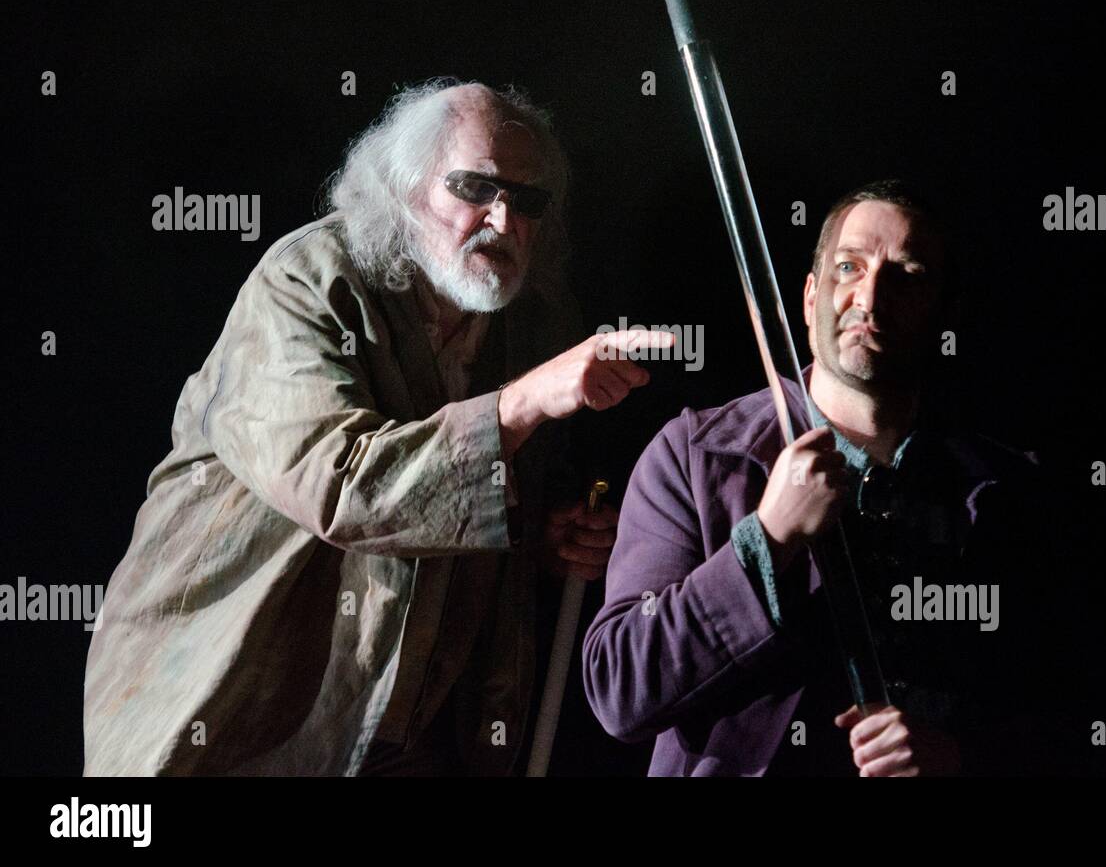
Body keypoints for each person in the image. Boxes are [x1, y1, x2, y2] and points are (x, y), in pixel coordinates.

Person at [83, 78, 668, 775]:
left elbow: (490, 498)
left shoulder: (531, 323)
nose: (504, 220)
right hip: (234, 720)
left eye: (527, 199)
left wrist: (549, 531)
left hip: (397, 734)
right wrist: (521, 404)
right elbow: (342, 485)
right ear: (406, 189)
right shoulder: (306, 282)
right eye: (474, 188)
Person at [583, 180, 1073, 776]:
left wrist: (959, 759)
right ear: (811, 292)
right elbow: (620, 688)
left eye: (907, 275)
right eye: (848, 267)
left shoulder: (1006, 491)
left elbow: (1075, 721)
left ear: (947, 312)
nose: (870, 296)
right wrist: (766, 539)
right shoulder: (696, 454)